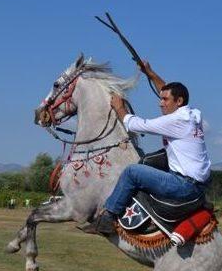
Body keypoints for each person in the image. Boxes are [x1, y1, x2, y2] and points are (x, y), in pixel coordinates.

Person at [84, 61, 211, 235]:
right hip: (197, 184)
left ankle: (108, 218)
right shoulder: (193, 114)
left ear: (179, 101)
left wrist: (120, 107)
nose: (160, 103)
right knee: (148, 160)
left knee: (132, 172)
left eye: (164, 100)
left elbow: (135, 125)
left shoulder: (176, 121)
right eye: (161, 99)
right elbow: (167, 90)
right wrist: (150, 73)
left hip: (184, 185)